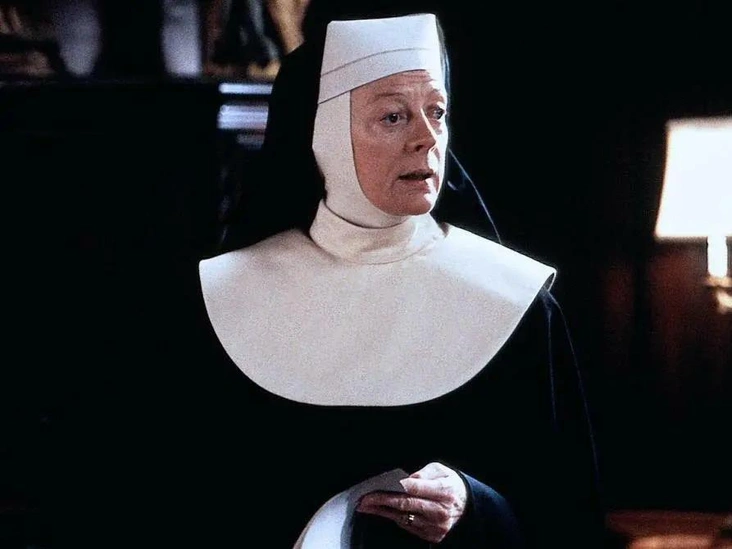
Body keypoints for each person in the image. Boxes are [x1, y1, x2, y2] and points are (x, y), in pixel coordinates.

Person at [57, 5, 606, 549]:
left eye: (436, 111)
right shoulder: (213, 302)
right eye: (393, 117)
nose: (426, 138)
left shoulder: (514, 303)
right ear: (325, 135)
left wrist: (474, 506)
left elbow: (566, 520)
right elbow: (156, 507)